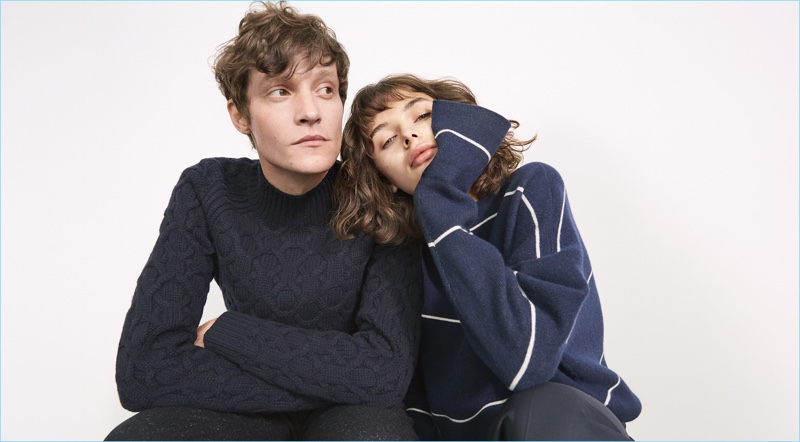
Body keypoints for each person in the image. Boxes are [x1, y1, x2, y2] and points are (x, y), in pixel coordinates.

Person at [105, 3, 422, 440]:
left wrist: (229, 332)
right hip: (248, 416)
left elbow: (384, 374)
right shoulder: (208, 190)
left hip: (357, 416)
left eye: (326, 89)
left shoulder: (379, 190)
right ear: (240, 115)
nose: (310, 112)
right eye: (280, 91)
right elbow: (144, 370)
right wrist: (335, 378)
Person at [332, 74, 642, 440]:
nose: (409, 136)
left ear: (458, 123)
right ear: (384, 177)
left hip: (565, 420)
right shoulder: (399, 258)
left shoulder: (530, 191)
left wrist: (441, 201)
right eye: (387, 141)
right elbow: (408, 396)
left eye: (422, 116)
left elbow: (527, 361)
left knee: (536, 408)